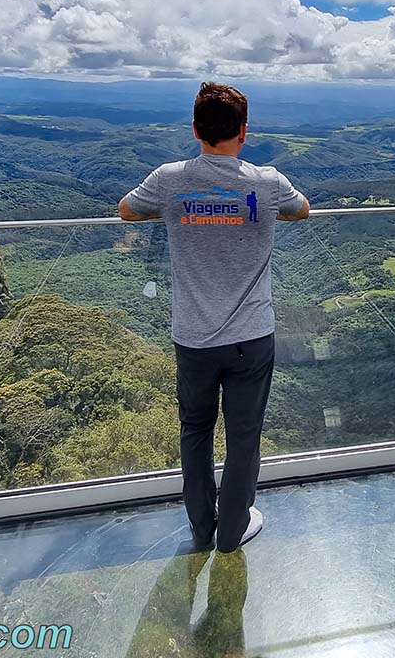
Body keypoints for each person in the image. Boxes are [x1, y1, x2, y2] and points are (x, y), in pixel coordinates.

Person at [118, 82, 310, 553]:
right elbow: (301, 211)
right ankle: (233, 532)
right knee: (244, 437)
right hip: (252, 336)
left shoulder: (169, 179)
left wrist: (178, 212)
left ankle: (202, 527)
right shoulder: (267, 183)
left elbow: (125, 211)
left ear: (195, 130)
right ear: (243, 132)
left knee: (195, 430)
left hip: (193, 337)